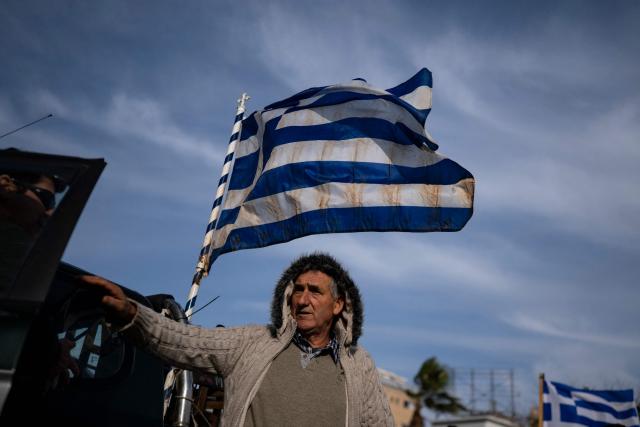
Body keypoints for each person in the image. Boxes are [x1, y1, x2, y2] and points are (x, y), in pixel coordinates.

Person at [82, 252, 394, 426]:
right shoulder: (253, 342)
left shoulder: (358, 364)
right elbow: (184, 340)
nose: (302, 299)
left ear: (338, 305)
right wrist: (132, 314)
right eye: (298, 289)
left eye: (315, 291)